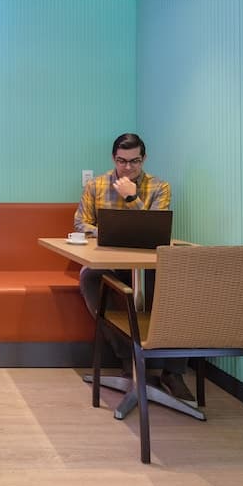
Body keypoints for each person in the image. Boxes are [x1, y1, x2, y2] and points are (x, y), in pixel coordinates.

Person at [74, 132, 195, 406]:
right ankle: (128, 359)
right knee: (89, 278)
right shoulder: (96, 186)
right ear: (113, 158)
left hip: (148, 264)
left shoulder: (159, 187)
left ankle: (173, 372)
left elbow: (157, 226)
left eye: (134, 161)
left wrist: (132, 198)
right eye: (122, 161)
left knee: (181, 283)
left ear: (144, 159)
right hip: (109, 261)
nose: (127, 167)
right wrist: (108, 233)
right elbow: (81, 223)